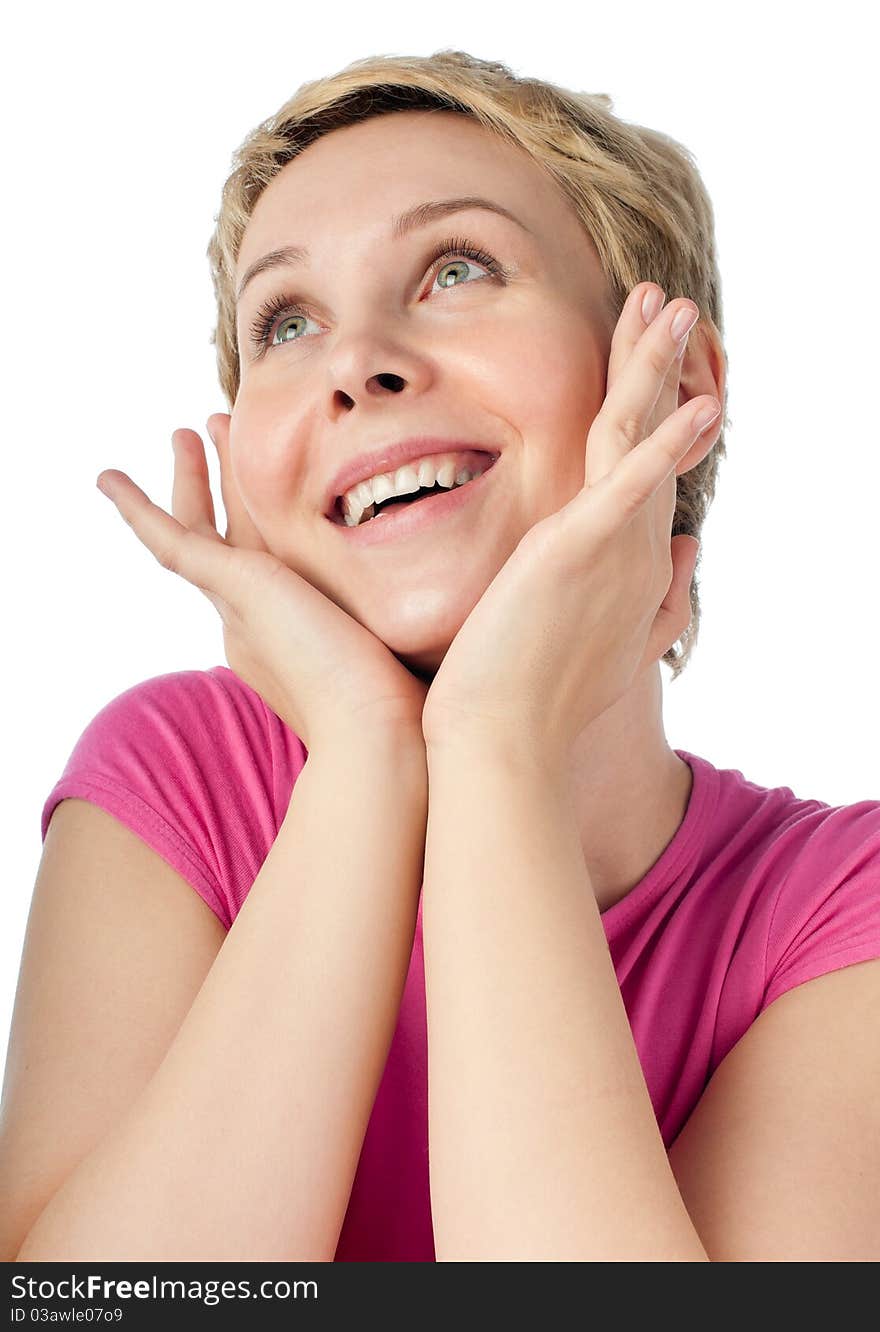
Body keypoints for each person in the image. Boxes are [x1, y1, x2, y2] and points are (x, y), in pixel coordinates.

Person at [3, 49, 879, 1263]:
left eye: (456, 268)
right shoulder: (175, 784)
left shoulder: (840, 908)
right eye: (287, 321)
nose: (355, 361)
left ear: (672, 378)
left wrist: (492, 747)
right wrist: (364, 758)